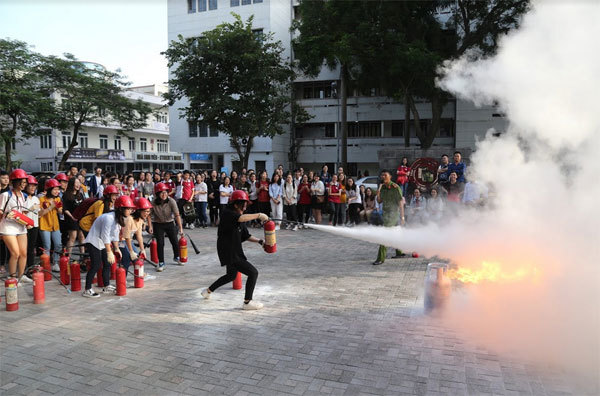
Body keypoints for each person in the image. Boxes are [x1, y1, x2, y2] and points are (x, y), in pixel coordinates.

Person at [200, 190, 269, 310]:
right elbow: (241, 218)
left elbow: (246, 236)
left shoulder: (239, 216)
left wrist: (260, 241)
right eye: (244, 204)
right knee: (253, 273)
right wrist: (259, 215)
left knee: (231, 275)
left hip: (233, 250)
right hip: (229, 251)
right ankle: (247, 302)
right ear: (236, 204)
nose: (245, 206)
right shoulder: (228, 213)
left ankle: (208, 291)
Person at [82, 195, 136, 298]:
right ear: (121, 208)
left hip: (102, 242)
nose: (130, 211)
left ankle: (106, 286)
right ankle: (87, 289)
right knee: (96, 265)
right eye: (128, 209)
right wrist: (108, 251)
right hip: (93, 241)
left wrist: (116, 248)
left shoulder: (118, 219)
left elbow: (115, 235)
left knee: (107, 263)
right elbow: (105, 235)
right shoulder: (108, 218)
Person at [0, 169, 32, 283]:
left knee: (23, 253)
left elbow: (23, 212)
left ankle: (21, 275)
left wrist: (27, 222)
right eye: (22, 182)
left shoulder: (24, 196)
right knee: (15, 253)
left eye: (25, 182)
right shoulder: (5, 195)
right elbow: (0, 211)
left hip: (21, 227)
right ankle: (12, 277)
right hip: (7, 228)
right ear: (15, 182)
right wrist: (7, 214)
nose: (24, 185)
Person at [372, 170, 405, 265]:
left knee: (385, 235)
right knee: (396, 233)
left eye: (385, 175)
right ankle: (400, 252)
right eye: (382, 175)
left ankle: (380, 258)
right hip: (386, 214)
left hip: (393, 214)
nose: (383, 177)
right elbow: (379, 201)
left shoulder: (395, 187)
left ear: (390, 176)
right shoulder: (382, 188)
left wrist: (402, 217)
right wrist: (378, 191)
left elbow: (400, 203)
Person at [151, 182, 184, 272]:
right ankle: (161, 262)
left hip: (169, 223)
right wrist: (150, 226)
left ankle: (176, 257)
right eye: (161, 193)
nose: (164, 194)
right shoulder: (153, 202)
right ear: (157, 194)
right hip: (158, 224)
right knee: (160, 243)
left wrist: (180, 228)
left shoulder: (171, 201)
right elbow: (149, 215)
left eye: (165, 192)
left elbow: (177, 215)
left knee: (175, 241)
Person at [120, 197, 152, 279]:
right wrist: (130, 251)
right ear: (139, 210)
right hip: (120, 241)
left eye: (149, 211)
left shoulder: (140, 220)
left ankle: (140, 274)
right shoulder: (129, 219)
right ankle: (122, 279)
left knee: (138, 256)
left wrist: (142, 250)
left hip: (128, 241)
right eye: (146, 211)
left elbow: (139, 235)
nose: (147, 213)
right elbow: (126, 237)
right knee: (127, 258)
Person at [39, 178, 63, 272]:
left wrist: (58, 208)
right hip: (44, 225)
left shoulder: (58, 199)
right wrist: (51, 207)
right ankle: (46, 264)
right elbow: (40, 214)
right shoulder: (41, 199)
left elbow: (61, 212)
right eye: (55, 189)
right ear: (49, 189)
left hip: (55, 225)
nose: (57, 191)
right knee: (47, 246)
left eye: (58, 189)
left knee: (58, 244)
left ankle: (55, 262)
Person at [62, 177, 86, 256]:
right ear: (72, 184)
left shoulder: (80, 194)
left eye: (79, 183)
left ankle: (83, 256)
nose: (78, 185)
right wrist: (72, 216)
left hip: (80, 218)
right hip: (70, 218)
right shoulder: (66, 195)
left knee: (81, 236)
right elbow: (65, 208)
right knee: (73, 237)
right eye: (76, 183)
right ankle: (68, 257)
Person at [24, 176, 40, 272]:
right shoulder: (23, 197)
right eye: (31, 186)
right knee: (25, 248)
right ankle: (25, 268)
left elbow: (39, 213)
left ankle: (30, 267)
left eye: (34, 186)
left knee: (31, 248)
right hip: (25, 225)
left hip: (35, 225)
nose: (33, 188)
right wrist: (31, 208)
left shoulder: (36, 198)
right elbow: (21, 212)